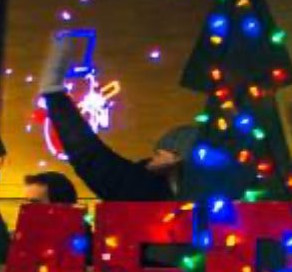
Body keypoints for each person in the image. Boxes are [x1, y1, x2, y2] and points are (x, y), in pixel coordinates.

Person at [38, 36, 196, 201]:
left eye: (160, 153)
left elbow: (89, 156)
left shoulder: (143, 187)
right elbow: (90, 157)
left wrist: (54, 94)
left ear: (178, 157)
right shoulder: (144, 183)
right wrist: (55, 98)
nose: (153, 159)